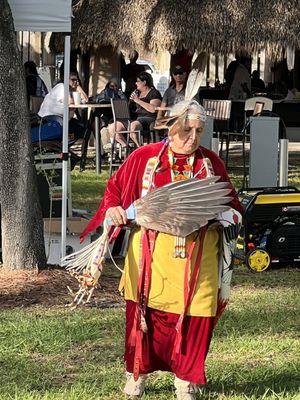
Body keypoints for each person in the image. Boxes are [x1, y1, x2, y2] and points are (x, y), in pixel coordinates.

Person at [80, 100, 243, 399]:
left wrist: (225, 218)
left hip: (198, 257)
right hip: (151, 256)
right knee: (145, 316)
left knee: (196, 318)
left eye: (198, 131)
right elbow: (114, 190)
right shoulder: (144, 158)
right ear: (170, 128)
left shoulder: (211, 164)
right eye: (185, 130)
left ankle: (185, 380)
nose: (192, 138)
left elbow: (233, 206)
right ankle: (136, 374)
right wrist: (115, 209)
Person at [108, 71, 161, 148]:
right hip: (134, 118)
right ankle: (126, 147)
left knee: (133, 126)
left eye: (138, 81)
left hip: (148, 118)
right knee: (113, 127)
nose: (136, 83)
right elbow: (130, 108)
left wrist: (138, 101)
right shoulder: (137, 93)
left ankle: (140, 148)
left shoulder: (154, 93)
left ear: (144, 82)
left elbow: (153, 109)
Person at [38, 71, 88, 141]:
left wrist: (78, 87)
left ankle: (64, 143)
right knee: (64, 127)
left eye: (77, 80)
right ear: (66, 80)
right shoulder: (61, 86)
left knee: (81, 128)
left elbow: (86, 99)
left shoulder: (73, 91)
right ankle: (63, 143)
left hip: (62, 119)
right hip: (48, 119)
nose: (75, 82)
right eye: (73, 80)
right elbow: (69, 101)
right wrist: (79, 100)